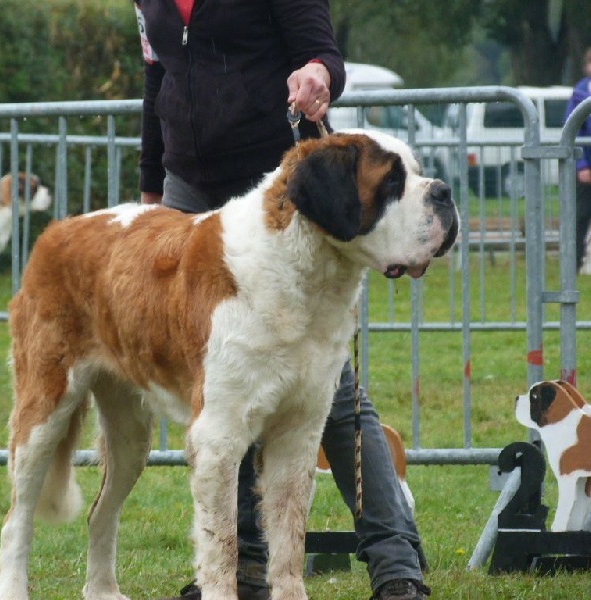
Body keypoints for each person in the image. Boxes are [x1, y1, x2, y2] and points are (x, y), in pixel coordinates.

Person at [134, 2, 430, 600]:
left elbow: (324, 57)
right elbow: (157, 82)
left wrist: (318, 72)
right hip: (189, 192)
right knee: (226, 388)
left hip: (280, 190)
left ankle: (396, 564)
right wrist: (150, 200)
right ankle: (240, 570)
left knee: (332, 389)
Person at [565, 47, 591, 273]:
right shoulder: (579, 94)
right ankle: (573, 264)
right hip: (586, 169)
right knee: (580, 217)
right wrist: (581, 165)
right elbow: (572, 131)